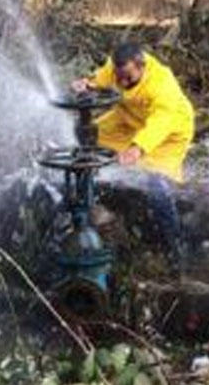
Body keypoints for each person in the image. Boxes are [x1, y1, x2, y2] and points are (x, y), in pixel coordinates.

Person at [71, 43, 195, 267]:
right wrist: (89, 84)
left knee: (157, 183)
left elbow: (161, 123)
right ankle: (86, 200)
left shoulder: (163, 85)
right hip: (128, 119)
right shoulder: (117, 65)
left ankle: (175, 248)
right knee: (88, 136)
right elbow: (104, 76)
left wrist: (137, 149)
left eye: (128, 77)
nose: (123, 83)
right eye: (120, 77)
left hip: (168, 135)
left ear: (142, 66)